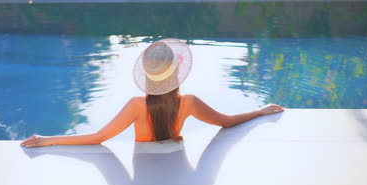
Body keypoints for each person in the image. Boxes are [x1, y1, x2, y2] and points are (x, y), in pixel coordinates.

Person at [21, 38, 284, 148]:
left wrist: (48, 139)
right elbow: (226, 122)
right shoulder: (189, 103)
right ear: (177, 72)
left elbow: (98, 137)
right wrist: (259, 111)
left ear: (147, 76)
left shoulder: (136, 105)